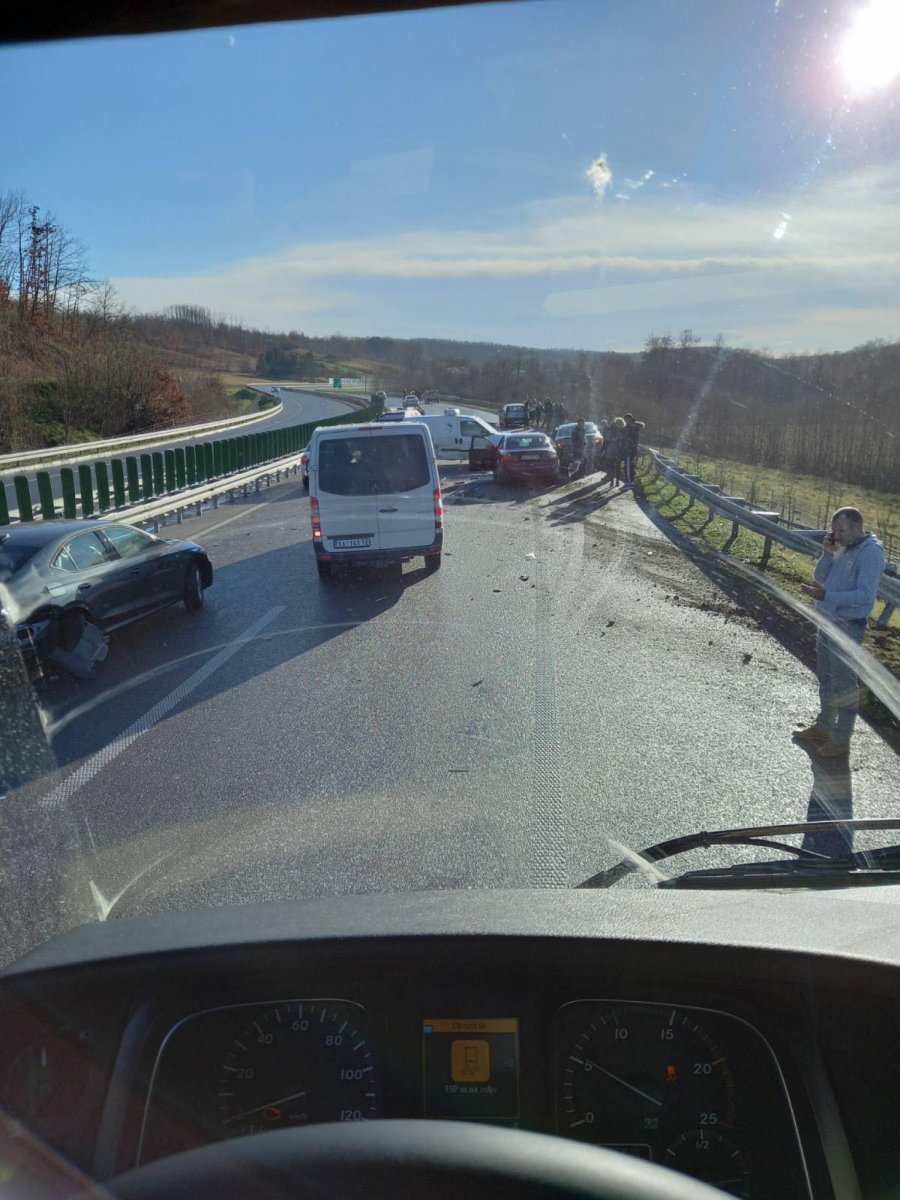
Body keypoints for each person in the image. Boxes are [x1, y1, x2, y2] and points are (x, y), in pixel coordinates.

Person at [794, 507, 886, 757]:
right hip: (828, 620)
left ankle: (841, 741)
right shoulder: (842, 546)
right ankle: (823, 728)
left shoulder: (870, 553)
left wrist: (827, 596)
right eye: (835, 530)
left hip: (848, 626)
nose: (838, 535)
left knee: (844, 685)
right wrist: (827, 554)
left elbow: (865, 597)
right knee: (826, 677)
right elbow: (820, 577)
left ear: (857, 526)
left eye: (842, 530)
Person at [621, 413, 640, 488]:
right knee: (630, 466)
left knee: (628, 467)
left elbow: (630, 438)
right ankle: (630, 481)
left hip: (630, 450)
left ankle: (629, 482)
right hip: (631, 449)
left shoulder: (631, 427)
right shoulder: (634, 426)